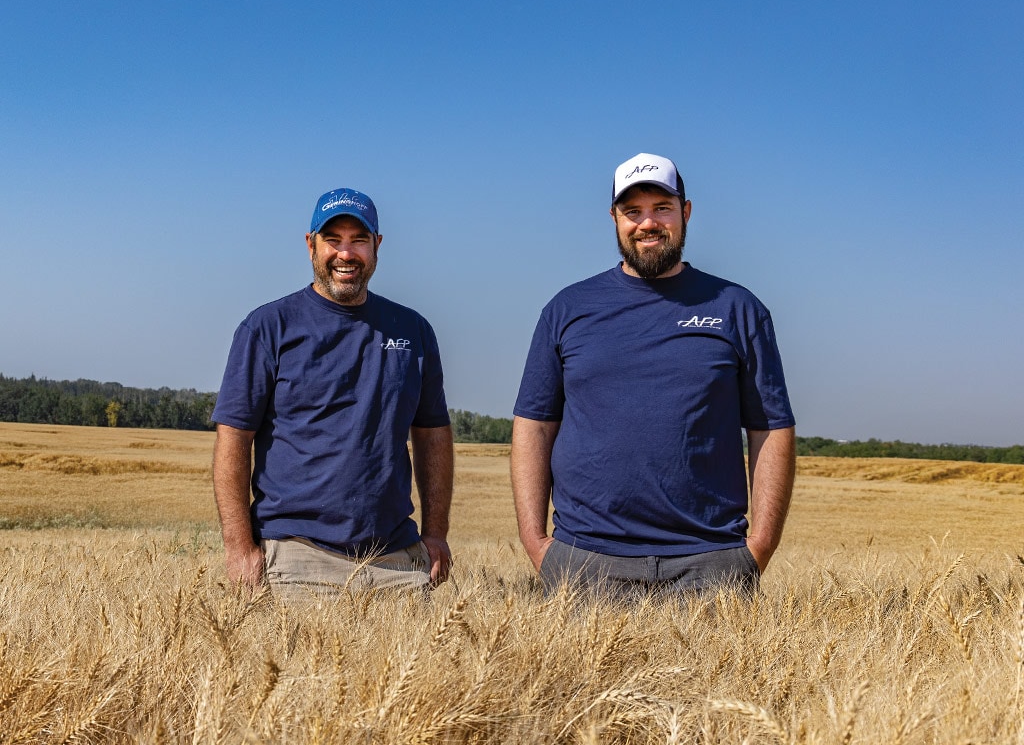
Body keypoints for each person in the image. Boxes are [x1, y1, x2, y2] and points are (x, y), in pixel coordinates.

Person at [511, 153, 796, 598]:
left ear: (685, 212)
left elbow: (771, 429)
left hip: (710, 563)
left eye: (662, 208)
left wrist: (756, 549)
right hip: (584, 562)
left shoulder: (737, 308)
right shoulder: (567, 310)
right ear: (614, 218)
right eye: (632, 211)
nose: (648, 223)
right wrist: (537, 543)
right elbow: (534, 425)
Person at [211, 187, 454, 599]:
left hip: (395, 560)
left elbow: (433, 436)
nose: (346, 253)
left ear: (377, 247)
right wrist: (239, 547)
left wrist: (435, 533)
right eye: (332, 239)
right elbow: (234, 440)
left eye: (359, 240)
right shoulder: (267, 328)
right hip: (294, 557)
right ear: (311, 245)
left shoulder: (412, 331)